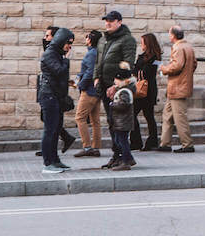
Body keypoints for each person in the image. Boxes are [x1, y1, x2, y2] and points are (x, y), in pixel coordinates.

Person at [94, 11, 137, 167]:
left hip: (118, 88)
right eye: (106, 21)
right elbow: (98, 61)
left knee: (119, 123)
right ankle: (119, 155)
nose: (107, 23)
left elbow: (127, 64)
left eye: (111, 21)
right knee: (111, 122)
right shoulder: (103, 40)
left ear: (119, 22)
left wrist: (116, 85)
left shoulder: (127, 40)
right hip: (104, 86)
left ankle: (123, 156)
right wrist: (96, 77)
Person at [38, 28, 74, 174]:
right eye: (68, 43)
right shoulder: (50, 54)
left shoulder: (57, 54)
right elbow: (59, 71)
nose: (69, 46)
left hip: (56, 96)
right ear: (61, 41)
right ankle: (48, 163)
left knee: (56, 130)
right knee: (50, 130)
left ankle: (55, 160)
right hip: (49, 96)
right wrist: (66, 60)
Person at [158, 25, 198, 153]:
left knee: (179, 117)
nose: (169, 36)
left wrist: (164, 69)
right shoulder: (188, 47)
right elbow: (194, 64)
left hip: (177, 87)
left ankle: (187, 144)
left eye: (170, 34)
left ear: (173, 35)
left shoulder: (178, 47)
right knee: (167, 115)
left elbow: (176, 66)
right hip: (179, 87)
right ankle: (165, 143)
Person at [73, 30, 102, 158]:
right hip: (96, 90)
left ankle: (87, 147)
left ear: (90, 40)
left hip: (89, 91)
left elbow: (90, 72)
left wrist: (80, 85)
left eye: (87, 37)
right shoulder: (97, 53)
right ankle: (95, 147)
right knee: (95, 121)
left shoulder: (91, 54)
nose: (85, 38)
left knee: (80, 118)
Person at [130, 33, 161, 151]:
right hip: (142, 89)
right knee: (143, 115)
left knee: (146, 116)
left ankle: (142, 142)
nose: (141, 45)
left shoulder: (155, 57)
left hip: (147, 90)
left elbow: (147, 72)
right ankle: (143, 141)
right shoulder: (144, 56)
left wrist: (137, 69)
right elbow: (138, 70)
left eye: (142, 42)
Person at [106, 62, 137, 170]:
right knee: (120, 141)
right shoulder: (123, 89)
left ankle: (125, 161)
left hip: (123, 122)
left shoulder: (125, 91)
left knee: (122, 142)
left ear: (121, 80)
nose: (114, 82)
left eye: (116, 80)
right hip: (120, 122)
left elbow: (124, 104)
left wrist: (112, 104)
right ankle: (129, 158)